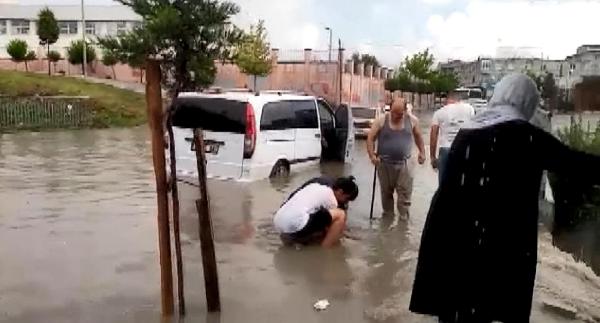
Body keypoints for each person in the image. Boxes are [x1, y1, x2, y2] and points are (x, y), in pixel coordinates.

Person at [409, 74, 600, 323]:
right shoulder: (527, 136)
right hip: (500, 242)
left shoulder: (468, 132)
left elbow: (450, 192)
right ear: (527, 101)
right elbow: (578, 164)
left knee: (456, 304)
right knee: (492, 306)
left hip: (452, 237)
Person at [367, 97, 426, 220]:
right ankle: (387, 221)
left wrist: (422, 153)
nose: (394, 116)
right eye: (393, 112)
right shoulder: (381, 120)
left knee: (404, 195)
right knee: (386, 193)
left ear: (405, 111)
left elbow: (419, 137)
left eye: (398, 114)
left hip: (405, 163)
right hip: (384, 163)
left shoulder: (412, 121)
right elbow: (370, 138)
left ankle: (403, 224)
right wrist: (372, 156)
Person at [273, 176, 359, 248]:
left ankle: (295, 241)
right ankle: (324, 250)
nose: (346, 202)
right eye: (347, 199)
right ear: (340, 192)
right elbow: (331, 226)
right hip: (295, 223)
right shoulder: (331, 198)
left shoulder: (315, 185)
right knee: (341, 215)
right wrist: (341, 235)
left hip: (279, 221)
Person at [430, 91, 475, 184]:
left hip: (446, 150)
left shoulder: (439, 112)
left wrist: (433, 157)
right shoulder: (469, 109)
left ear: (448, 99)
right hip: (463, 149)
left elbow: (433, 136)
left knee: (444, 185)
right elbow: (474, 130)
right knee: (461, 184)